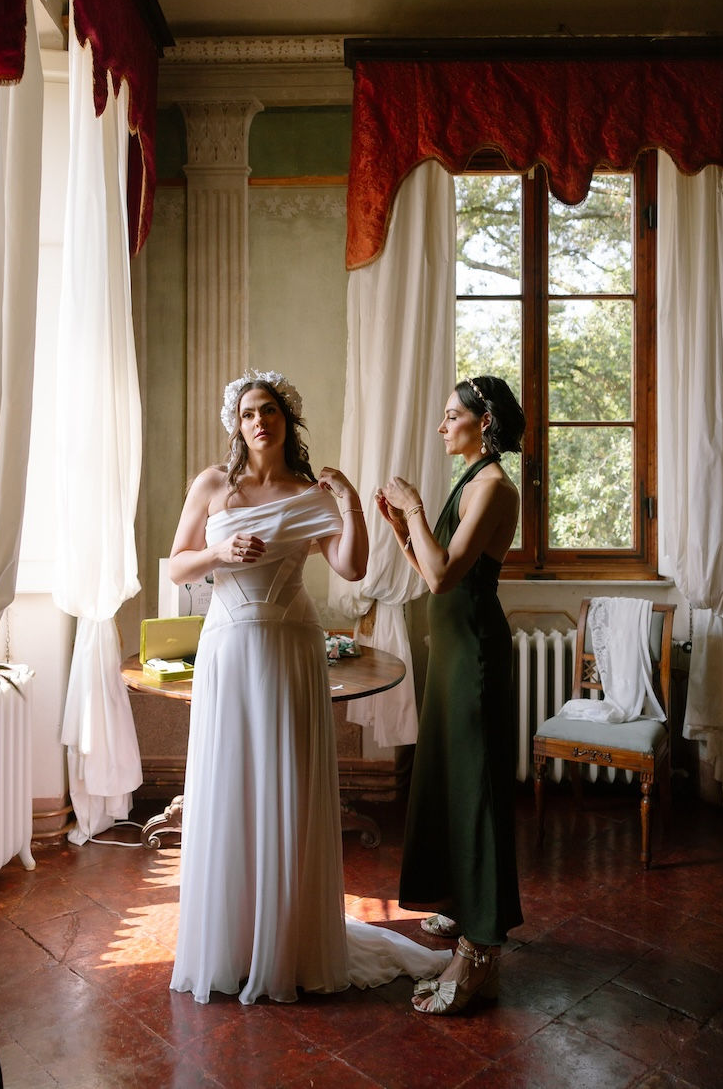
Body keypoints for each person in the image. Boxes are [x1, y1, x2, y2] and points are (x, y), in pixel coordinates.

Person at [168, 370, 451, 1004]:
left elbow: (351, 565)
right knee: (229, 782)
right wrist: (220, 555)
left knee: (286, 784)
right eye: (247, 414)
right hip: (227, 645)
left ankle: (289, 937)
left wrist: (349, 501)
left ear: (286, 421)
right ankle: (232, 940)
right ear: (236, 424)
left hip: (290, 645)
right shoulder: (213, 485)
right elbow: (178, 561)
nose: (258, 422)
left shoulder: (310, 492)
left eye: (268, 411)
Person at [376, 375, 526, 1016]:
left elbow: (444, 581)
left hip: (478, 658)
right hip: (454, 652)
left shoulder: (493, 487)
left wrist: (412, 506)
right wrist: (405, 532)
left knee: (480, 792)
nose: (442, 427)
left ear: (482, 422)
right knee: (453, 781)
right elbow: (433, 570)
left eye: (450, 417)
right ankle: (463, 904)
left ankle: (480, 957)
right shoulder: (470, 480)